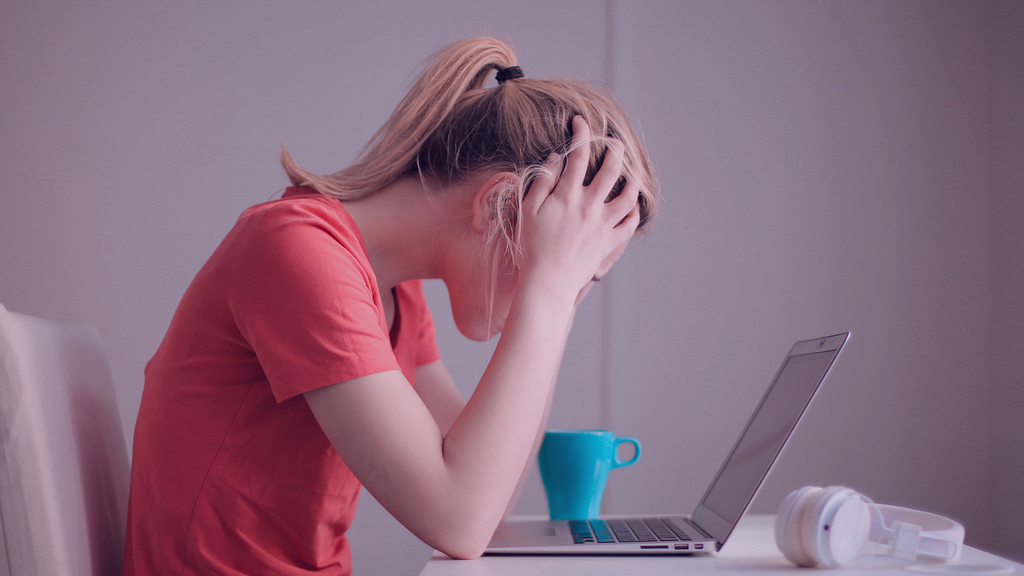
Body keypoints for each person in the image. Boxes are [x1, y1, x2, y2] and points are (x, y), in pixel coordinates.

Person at [123, 37, 659, 575]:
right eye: (566, 261)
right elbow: (460, 519)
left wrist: (558, 299)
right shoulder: (296, 251)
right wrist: (549, 290)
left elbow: (493, 491)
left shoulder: (395, 293)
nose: (566, 286)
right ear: (497, 204)